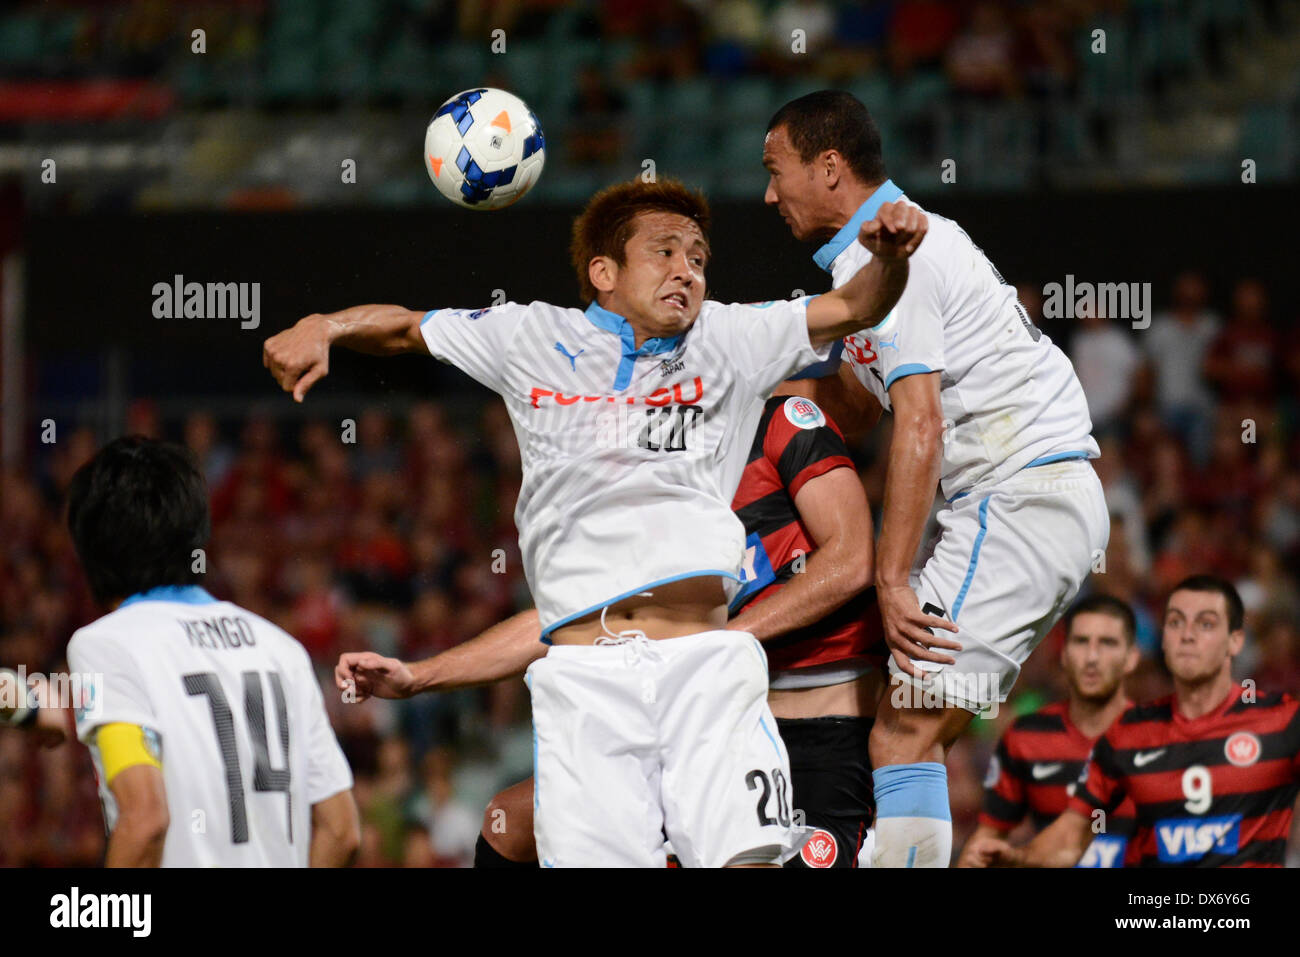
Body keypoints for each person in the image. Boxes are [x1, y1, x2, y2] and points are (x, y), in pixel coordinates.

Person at [267, 177, 926, 867]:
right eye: (665, 252)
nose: (687, 271)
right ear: (603, 273)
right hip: (584, 677)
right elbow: (405, 328)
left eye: (699, 258)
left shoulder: (734, 335)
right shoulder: (529, 334)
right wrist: (326, 327)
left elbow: (854, 303)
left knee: (750, 861)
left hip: (705, 662)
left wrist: (892, 259)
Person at [761, 90, 1108, 867]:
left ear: (828, 167)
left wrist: (891, 579)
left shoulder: (891, 254)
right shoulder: (871, 267)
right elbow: (854, 407)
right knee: (913, 721)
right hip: (1029, 503)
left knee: (902, 728)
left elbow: (920, 424)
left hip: (1018, 499)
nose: (767, 193)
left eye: (774, 170)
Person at [344, 385, 885, 869]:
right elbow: (568, 618)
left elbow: (854, 559)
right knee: (508, 822)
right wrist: (418, 676)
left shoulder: (779, 422)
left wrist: (719, 638)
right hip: (693, 717)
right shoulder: (642, 481)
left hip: (818, 725)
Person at [60, 436, 359, 867]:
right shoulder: (282, 649)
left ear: (91, 549)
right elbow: (341, 829)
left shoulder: (105, 646)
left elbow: (145, 821)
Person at [966, 576, 1300, 867]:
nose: (1187, 634)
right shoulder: (1128, 733)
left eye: (1206, 623)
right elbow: (1071, 837)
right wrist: (1019, 859)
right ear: (1162, 638)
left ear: (1236, 640)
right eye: (1175, 622)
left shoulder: (1282, 720)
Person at [956, 594, 1140, 868]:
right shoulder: (1025, 737)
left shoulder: (1157, 736)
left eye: (1107, 643)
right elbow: (987, 838)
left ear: (1132, 658)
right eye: (1081, 641)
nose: (1092, 657)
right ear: (1063, 654)